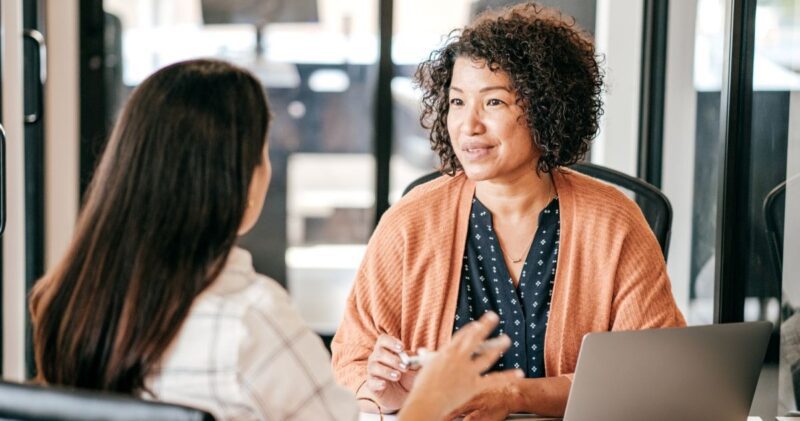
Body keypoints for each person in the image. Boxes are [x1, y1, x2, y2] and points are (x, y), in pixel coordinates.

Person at [29, 59, 521, 420]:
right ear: (238, 180)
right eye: (263, 153)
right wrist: (433, 399)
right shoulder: (250, 319)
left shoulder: (68, 302)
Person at [331, 2, 686, 418]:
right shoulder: (409, 223)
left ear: (545, 107)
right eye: (458, 102)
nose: (469, 125)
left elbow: (652, 375)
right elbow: (350, 363)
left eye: (494, 103)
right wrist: (384, 392)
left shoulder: (613, 222)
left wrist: (516, 396)